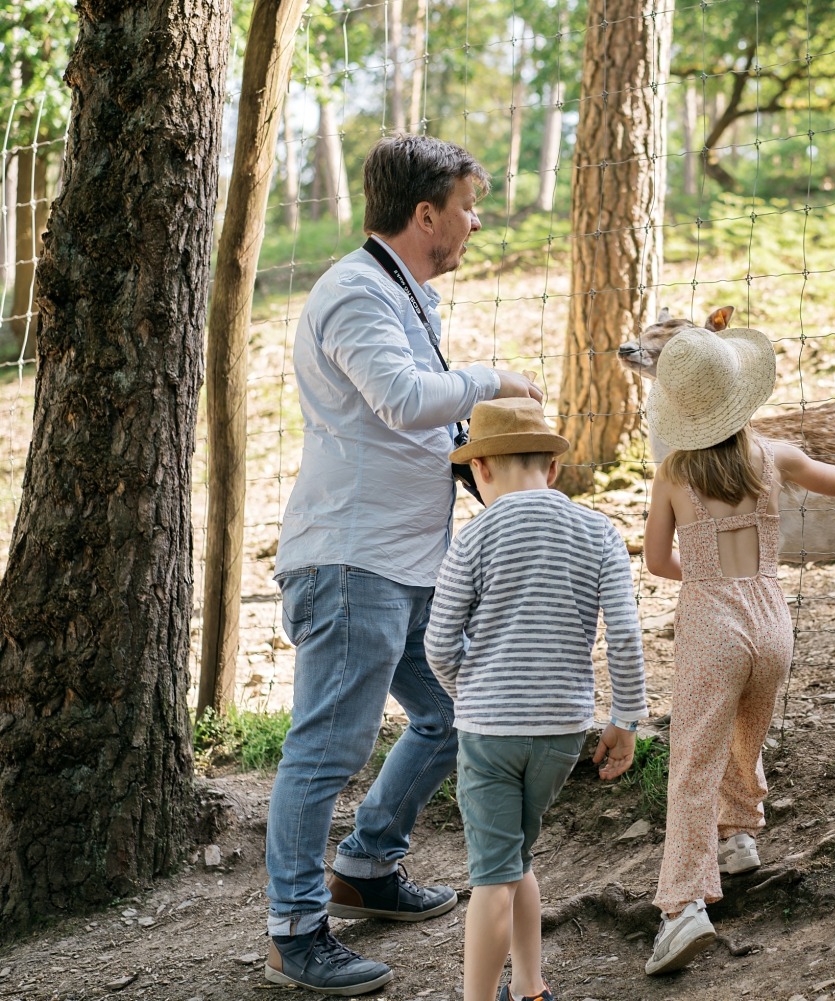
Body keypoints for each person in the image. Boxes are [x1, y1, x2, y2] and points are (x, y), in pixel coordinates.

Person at [265, 134, 543, 996]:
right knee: (327, 746)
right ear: (425, 214)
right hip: (351, 562)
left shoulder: (407, 296)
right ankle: (295, 928)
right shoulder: (354, 293)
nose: (475, 221)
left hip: (409, 562)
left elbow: (428, 427)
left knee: (455, 711)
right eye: (467, 205)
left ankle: (367, 865)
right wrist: (495, 379)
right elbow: (399, 398)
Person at [640, 324, 835, 975]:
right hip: (772, 627)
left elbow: (656, 559)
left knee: (692, 762)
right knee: (743, 735)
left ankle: (681, 909)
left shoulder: (673, 473)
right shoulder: (771, 454)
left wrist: (704, 576)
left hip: (713, 628)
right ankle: (740, 835)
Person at [423, 397, 647, 1001]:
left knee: (491, 876)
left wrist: (468, 696)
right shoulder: (599, 530)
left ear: (482, 472)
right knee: (518, 856)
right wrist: (624, 720)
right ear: (551, 468)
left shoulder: (473, 541)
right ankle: (529, 985)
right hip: (560, 734)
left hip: (489, 734)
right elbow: (625, 633)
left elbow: (440, 643)